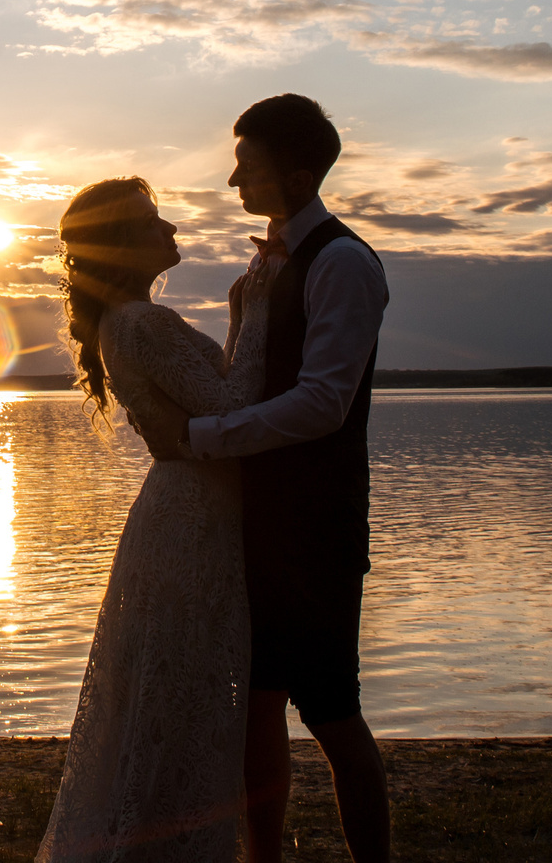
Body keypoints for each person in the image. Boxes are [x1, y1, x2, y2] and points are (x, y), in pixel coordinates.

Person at [134, 94, 392, 863]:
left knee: (333, 709)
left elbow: (322, 403)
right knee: (256, 703)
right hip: (253, 520)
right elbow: (247, 379)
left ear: (297, 176)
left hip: (315, 525)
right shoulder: (266, 261)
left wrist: (197, 439)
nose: (232, 180)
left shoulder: (343, 263)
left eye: (246, 165)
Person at [33, 177, 257, 863]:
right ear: (123, 244)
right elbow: (232, 407)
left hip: (183, 510)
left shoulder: (125, 321)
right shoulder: (140, 323)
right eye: (152, 220)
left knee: (171, 696)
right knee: (181, 695)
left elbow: (210, 405)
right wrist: (252, 314)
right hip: (189, 520)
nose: (171, 229)